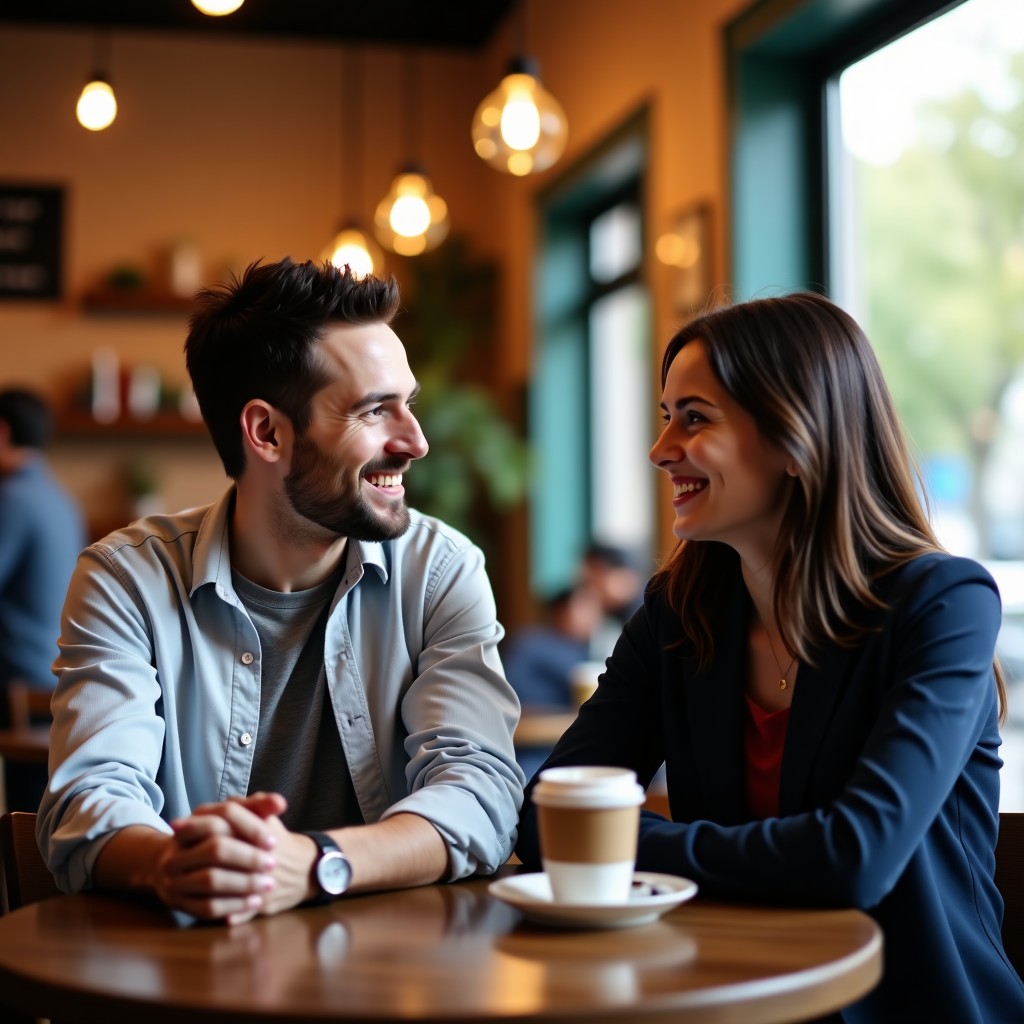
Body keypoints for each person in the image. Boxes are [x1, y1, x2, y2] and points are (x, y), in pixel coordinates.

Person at [516, 292, 1024, 1022]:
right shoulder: (676, 613)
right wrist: (776, 854)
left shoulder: (942, 605)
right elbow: (544, 816)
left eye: (695, 418)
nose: (661, 451)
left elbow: (856, 858)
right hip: (734, 998)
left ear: (794, 439)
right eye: (666, 418)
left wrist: (627, 845)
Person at [38, 257, 524, 925]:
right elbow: (91, 794)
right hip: (189, 973)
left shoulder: (442, 572)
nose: (416, 440)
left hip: (401, 978)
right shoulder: (127, 581)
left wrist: (319, 862)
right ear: (266, 432)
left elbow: (481, 792)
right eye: (375, 410)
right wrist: (172, 864)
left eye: (406, 404)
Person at [0, 388, 85, 809]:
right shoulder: (61, 498)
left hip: (17, 684)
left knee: (26, 806)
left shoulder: (12, 498)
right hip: (51, 678)